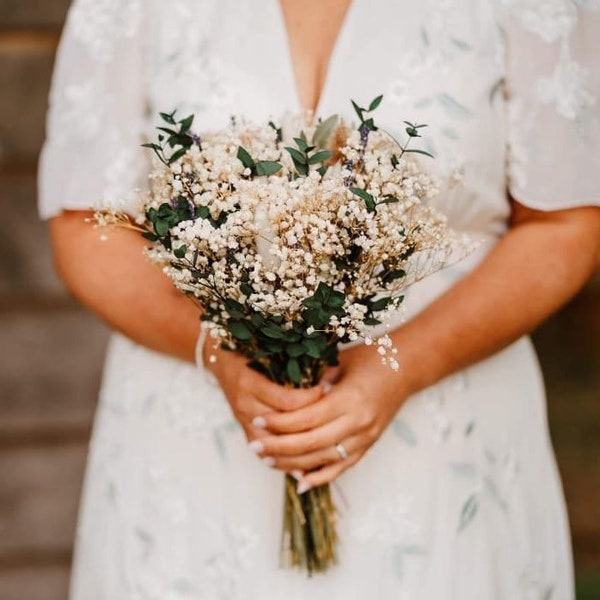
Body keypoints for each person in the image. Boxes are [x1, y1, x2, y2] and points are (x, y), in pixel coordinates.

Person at [40, 0, 600, 598]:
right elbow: (84, 221)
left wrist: (401, 365)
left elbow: (563, 222)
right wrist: (216, 352)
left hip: (447, 442)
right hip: (190, 450)